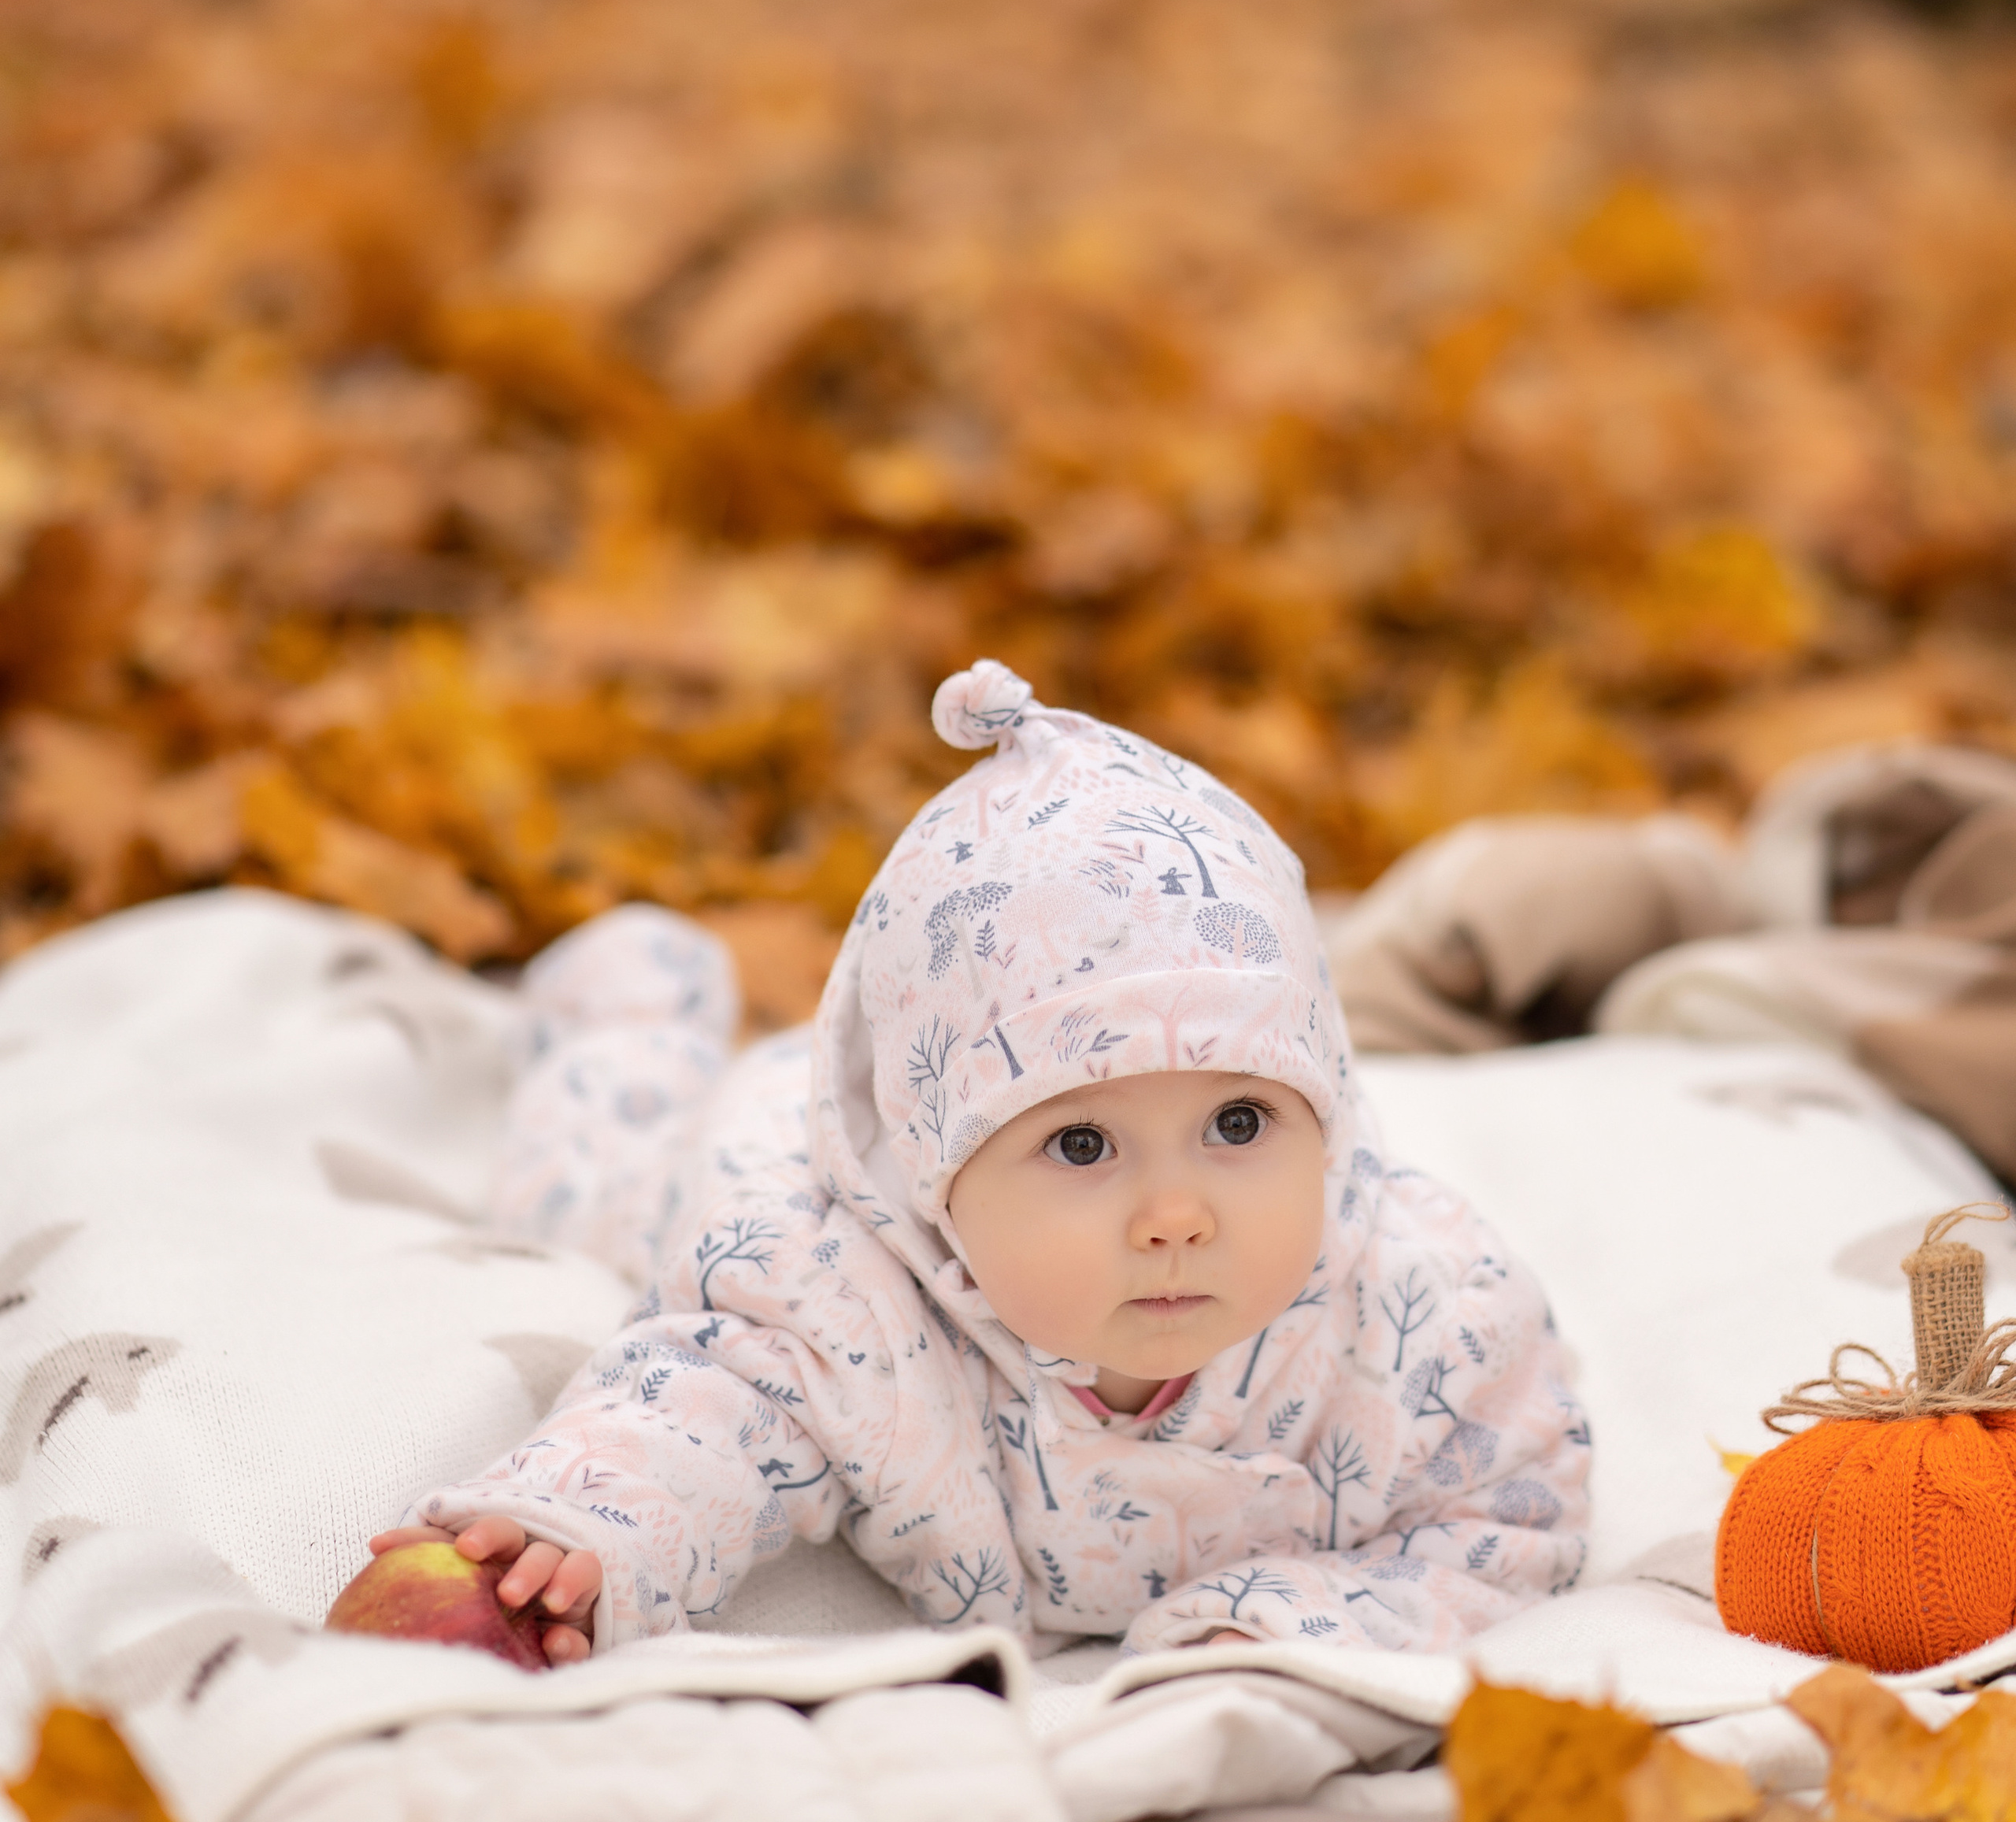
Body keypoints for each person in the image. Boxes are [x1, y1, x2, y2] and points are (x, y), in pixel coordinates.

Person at [372, 661, 1589, 1661]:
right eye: (1080, 1143)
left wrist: (1289, 1620)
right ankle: (627, 1017)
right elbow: (695, 1415)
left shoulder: (1424, 1313)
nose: (1177, 1214)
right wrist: (584, 1533)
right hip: (747, 1154)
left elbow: (1508, 1516)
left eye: (1237, 1125)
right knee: (588, 1200)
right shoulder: (823, 1289)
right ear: (937, 1183)